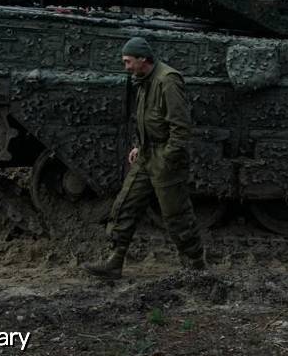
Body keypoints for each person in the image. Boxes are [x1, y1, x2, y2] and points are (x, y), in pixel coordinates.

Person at [82, 36, 205, 279]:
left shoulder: (167, 81)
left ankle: (195, 267)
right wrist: (140, 145)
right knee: (125, 205)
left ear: (143, 59)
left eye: (128, 61)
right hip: (147, 154)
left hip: (165, 157)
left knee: (177, 215)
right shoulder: (143, 80)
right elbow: (147, 118)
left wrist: (167, 158)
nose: (125, 66)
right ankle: (114, 261)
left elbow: (181, 128)